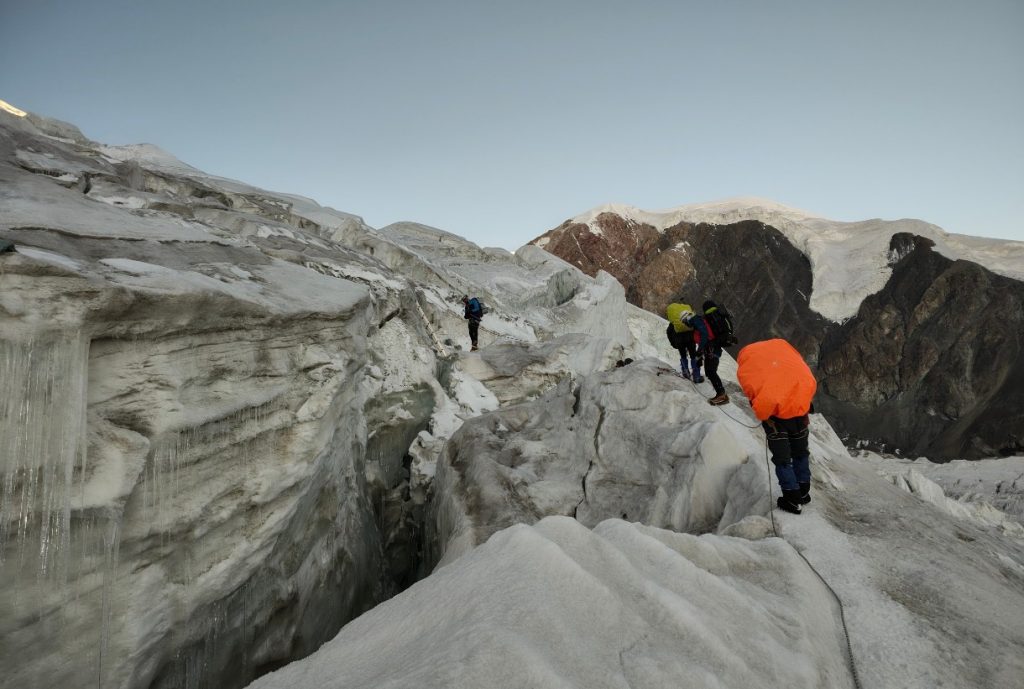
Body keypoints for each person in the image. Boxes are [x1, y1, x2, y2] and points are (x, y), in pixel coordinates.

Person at [736, 339, 817, 515]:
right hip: (800, 414)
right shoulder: (786, 359)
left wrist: (766, 414)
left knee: (782, 459)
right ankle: (803, 491)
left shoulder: (755, 367)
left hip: (776, 422)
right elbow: (808, 381)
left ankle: (792, 498)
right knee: (801, 452)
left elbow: (761, 406)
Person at [686, 304, 728, 405]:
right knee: (710, 371)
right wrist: (700, 355)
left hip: (712, 349)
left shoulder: (696, 321)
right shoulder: (700, 322)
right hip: (711, 349)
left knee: (711, 371)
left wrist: (700, 351)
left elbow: (705, 336)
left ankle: (722, 394)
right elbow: (704, 337)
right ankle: (721, 394)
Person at [665, 303, 703, 382]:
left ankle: (686, 372)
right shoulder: (688, 320)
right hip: (690, 339)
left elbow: (669, 333)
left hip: (680, 341)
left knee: (683, 355)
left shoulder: (674, 324)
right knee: (693, 355)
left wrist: (674, 344)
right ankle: (696, 376)